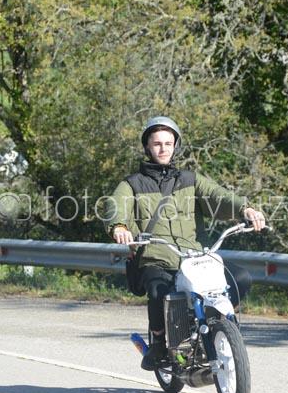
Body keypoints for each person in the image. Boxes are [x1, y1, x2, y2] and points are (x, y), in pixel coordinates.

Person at [104, 116, 265, 370]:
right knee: (158, 292)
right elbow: (115, 206)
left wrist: (245, 209)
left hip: (195, 256)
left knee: (240, 278)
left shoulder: (190, 179)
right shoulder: (132, 184)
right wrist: (119, 227)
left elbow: (218, 196)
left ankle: (220, 325)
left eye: (168, 143)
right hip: (157, 257)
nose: (163, 148)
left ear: (175, 146)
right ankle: (159, 344)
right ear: (147, 147)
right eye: (157, 143)